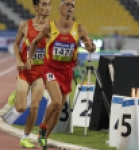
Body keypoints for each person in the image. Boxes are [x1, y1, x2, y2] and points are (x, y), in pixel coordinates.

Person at [27, 0, 96, 149]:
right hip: (51, 69)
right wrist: (29, 59)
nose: (70, 8)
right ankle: (42, 127)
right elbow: (34, 43)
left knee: (58, 109)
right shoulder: (49, 27)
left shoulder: (80, 29)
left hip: (67, 71)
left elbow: (91, 47)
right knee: (57, 101)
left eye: (73, 6)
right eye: (67, 5)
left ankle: (45, 138)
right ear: (60, 9)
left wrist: (92, 47)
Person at [13, 0, 51, 148]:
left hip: (40, 73)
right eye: (44, 4)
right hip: (24, 71)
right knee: (21, 108)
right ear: (36, 7)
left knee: (35, 106)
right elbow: (16, 45)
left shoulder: (52, 28)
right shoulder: (24, 25)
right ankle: (15, 96)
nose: (47, 7)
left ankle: (25, 137)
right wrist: (18, 60)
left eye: (49, 4)